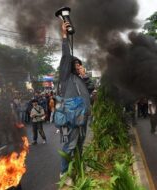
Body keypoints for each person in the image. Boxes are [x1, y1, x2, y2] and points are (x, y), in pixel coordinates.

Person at [57, 21, 91, 181]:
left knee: (79, 145)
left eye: (80, 65)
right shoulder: (66, 77)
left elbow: (90, 91)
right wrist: (64, 36)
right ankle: (64, 172)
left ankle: (77, 166)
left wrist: (85, 76)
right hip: (72, 119)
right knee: (70, 145)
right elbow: (66, 56)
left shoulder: (80, 79)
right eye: (76, 64)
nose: (78, 66)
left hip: (83, 118)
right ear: (70, 66)